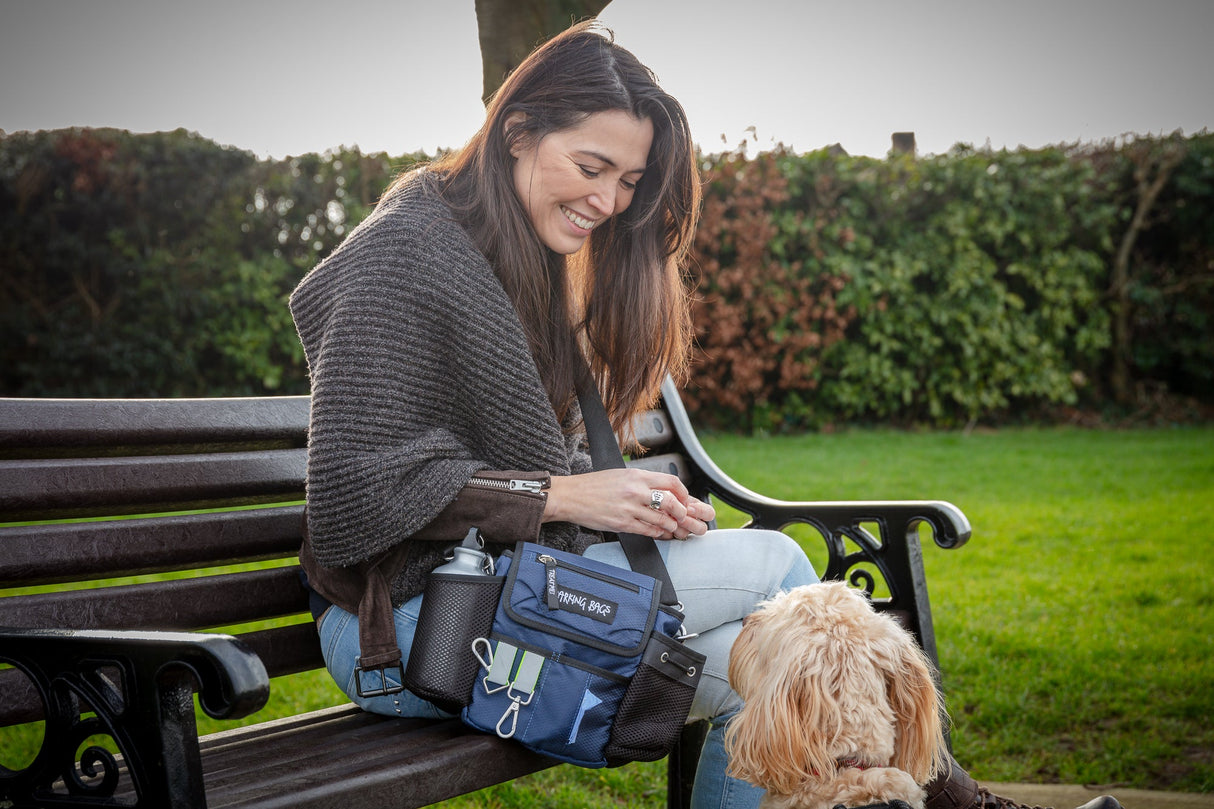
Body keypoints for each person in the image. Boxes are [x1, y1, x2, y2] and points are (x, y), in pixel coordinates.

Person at [289, 21, 1119, 809]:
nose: (609, 200)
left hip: (493, 608)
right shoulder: (405, 249)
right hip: (403, 639)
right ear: (516, 131)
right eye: (591, 166)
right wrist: (569, 497)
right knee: (780, 576)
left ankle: (938, 794)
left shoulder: (517, 254)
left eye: (628, 182)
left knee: (772, 691)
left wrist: (629, 500)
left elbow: (510, 460)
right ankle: (954, 799)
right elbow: (356, 488)